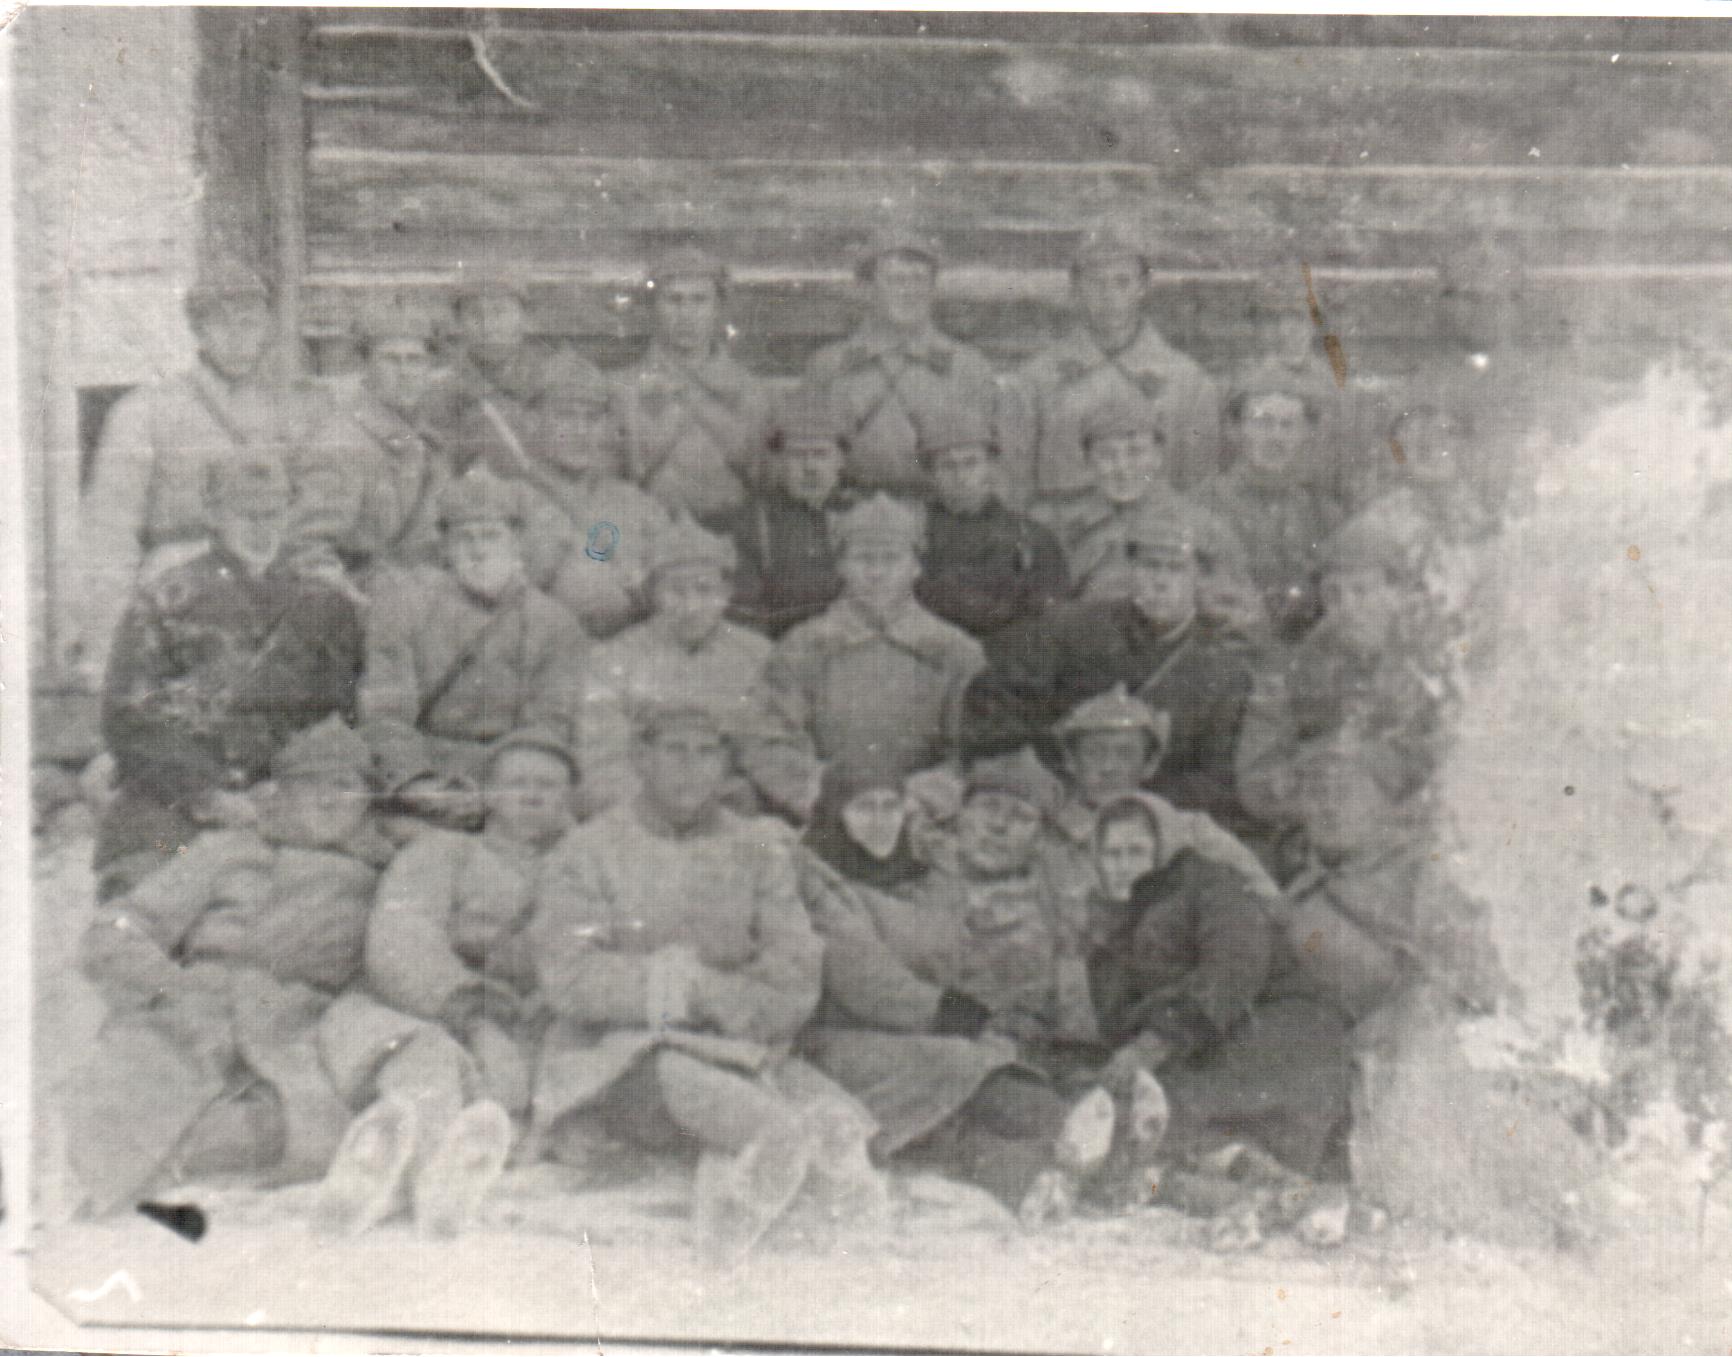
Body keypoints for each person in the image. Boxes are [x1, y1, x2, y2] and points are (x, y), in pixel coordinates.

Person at [525, 701, 876, 1257]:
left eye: (707, 754)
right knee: (710, 1091)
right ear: (641, 758)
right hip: (618, 1053)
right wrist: (669, 989)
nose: (690, 768)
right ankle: (772, 1152)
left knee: (832, 1120)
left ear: (725, 766)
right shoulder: (587, 850)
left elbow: (794, 972)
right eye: (674, 751)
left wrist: (709, 992)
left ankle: (748, 1195)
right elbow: (567, 975)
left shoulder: (756, 850)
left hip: (738, 1045)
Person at [67, 716, 393, 1216]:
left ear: (367, 802)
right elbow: (119, 927)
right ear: (282, 792)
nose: (332, 799)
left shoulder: (382, 873)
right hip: (191, 1009)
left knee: (308, 1120)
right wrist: (170, 985)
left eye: (347, 786)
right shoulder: (225, 851)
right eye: (313, 783)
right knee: (123, 1101)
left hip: (299, 1024)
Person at [806, 747, 1127, 1223]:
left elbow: (962, 966)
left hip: (938, 1036)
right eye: (863, 808)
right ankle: (1023, 1177)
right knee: (988, 1099)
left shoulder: (928, 879)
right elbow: (867, 981)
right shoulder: (819, 879)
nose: (879, 822)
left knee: (1038, 1109)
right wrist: (964, 1019)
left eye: (890, 807)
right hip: (855, 1039)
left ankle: (1093, 1174)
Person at [309, 734, 583, 1238]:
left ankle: (417, 1179)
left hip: (529, 1021)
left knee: (517, 1089)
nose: (531, 795)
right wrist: (473, 1013)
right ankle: (416, 1171)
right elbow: (402, 938)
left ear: (569, 799)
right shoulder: (443, 852)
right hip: (415, 1008)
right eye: (517, 783)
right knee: (424, 1062)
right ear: (487, 793)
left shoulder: (583, 868)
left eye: (548, 786)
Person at [1082, 796, 1357, 1242]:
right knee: (1136, 1131)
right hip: (1210, 1045)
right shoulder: (1110, 921)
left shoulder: (1207, 886)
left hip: (1280, 1035)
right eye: (1112, 854)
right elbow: (1115, 1019)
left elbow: (1235, 968)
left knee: (1160, 1124)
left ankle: (1290, 1194)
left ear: (1163, 849)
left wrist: (1156, 1042)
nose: (1123, 866)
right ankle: (1262, 1198)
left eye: (1136, 851)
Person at [94, 456, 365, 899]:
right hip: (178, 796)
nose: (261, 528)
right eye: (245, 514)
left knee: (317, 895)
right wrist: (206, 796)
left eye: (273, 512)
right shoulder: (166, 598)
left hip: (289, 792)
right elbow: (129, 719)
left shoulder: (326, 604)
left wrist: (296, 781)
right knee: (149, 889)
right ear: (213, 515)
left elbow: (343, 713)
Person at [67, 261, 295, 683]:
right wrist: (106, 649)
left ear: (266, 330)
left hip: (264, 581)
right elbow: (109, 538)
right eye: (221, 324)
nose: (237, 337)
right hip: (178, 583)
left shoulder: (284, 412)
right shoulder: (146, 411)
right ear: (198, 330)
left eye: (250, 324)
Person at [965, 520, 1254, 834]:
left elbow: (1214, 779)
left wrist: (1135, 806)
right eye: (1150, 566)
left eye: (1176, 569)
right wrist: (1038, 773)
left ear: (1202, 580)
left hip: (1151, 822)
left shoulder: (1223, 671)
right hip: (1055, 803)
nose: (1160, 582)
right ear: (1131, 571)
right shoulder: (1073, 628)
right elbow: (1000, 703)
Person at [435, 274, 670, 637]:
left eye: (591, 419)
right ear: (532, 422)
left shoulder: (634, 504)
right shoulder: (502, 502)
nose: (580, 431)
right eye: (565, 417)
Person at [358, 465, 588, 814]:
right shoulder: (404, 606)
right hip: (422, 777)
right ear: (446, 548)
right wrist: (417, 783)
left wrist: (494, 792)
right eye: (465, 538)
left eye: (491, 536)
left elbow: (550, 726)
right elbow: (385, 712)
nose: (478, 550)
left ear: (517, 543)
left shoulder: (554, 623)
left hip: (512, 787)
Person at [580, 515, 817, 822]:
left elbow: (779, 750)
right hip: (643, 814)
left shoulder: (759, 656)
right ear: (653, 595)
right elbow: (601, 760)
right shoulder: (612, 659)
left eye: (704, 590)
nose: (691, 606)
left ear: (726, 592)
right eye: (676, 591)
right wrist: (669, 809)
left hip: (737, 811)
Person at [1235, 512, 1450, 841]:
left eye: (1361, 591)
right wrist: (1326, 774)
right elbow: (1256, 783)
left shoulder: (1436, 663)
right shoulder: (1294, 672)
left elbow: (1452, 765)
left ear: (1397, 593)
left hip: (1417, 834)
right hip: (1322, 837)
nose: (1347, 608)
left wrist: (1371, 765)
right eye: (1334, 595)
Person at [763, 493, 985, 782]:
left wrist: (927, 797)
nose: (877, 573)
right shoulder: (803, 646)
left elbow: (971, 753)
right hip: (825, 803)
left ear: (916, 567)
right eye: (863, 558)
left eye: (891, 558)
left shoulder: (955, 651)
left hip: (921, 806)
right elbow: (773, 743)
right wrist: (824, 794)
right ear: (841, 566)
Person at [1006, 222, 1223, 507]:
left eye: (1123, 282)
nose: (1110, 296)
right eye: (1096, 282)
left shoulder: (1188, 383)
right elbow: (1015, 492)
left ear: (1143, 286)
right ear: (1076, 287)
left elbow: (1199, 492)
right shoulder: (1034, 383)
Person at [804, 226, 1003, 499]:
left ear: (933, 288)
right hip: (852, 510)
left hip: (943, 511)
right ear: (867, 289)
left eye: (919, 279)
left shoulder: (967, 367)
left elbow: (994, 462)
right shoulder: (829, 366)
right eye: (895, 279)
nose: (909, 291)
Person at [1044, 684, 1276, 908]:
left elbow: (1267, 900)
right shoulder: (1047, 839)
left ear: (1150, 765)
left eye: (1125, 754)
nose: (1109, 767)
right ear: (1070, 761)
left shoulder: (1194, 833)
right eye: (1094, 753)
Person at [295, 293, 456, 581]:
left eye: (416, 360)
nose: (405, 372)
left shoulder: (427, 441)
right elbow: (308, 551)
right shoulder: (340, 444)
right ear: (365, 366)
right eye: (391, 360)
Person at [615, 245, 771, 524]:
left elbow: (766, 481)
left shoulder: (752, 392)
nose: (686, 314)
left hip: (733, 535)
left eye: (699, 300)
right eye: (673, 300)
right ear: (653, 308)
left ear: (718, 309)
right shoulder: (622, 390)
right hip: (649, 533)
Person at [1202, 385, 1347, 644]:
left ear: (1306, 434)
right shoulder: (1202, 507)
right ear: (1234, 430)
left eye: (1288, 425)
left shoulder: (1327, 516)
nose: (1276, 437)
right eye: (1262, 423)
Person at [912, 405, 1070, 640]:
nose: (960, 476)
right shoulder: (912, 537)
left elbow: (1051, 618)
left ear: (991, 465)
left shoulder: (1031, 537)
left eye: (971, 463)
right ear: (931, 473)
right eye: (948, 465)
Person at [1046, 390, 1243, 577]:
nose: (1122, 468)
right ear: (1088, 461)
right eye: (1107, 454)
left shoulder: (1204, 530)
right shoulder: (1066, 530)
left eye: (1135, 452)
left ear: (1157, 456)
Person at [725, 384, 851, 639]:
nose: (810, 467)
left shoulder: (862, 515)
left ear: (840, 460)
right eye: (797, 455)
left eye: (821, 454)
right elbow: (746, 613)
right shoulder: (754, 523)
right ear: (780, 462)